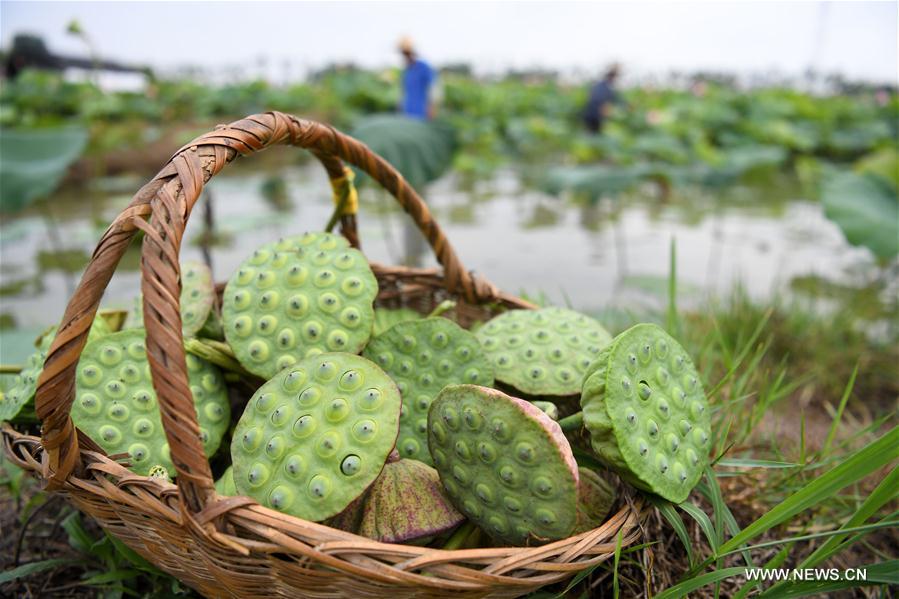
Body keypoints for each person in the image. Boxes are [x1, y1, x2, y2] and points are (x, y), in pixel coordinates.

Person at [398, 37, 435, 120]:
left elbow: (432, 89)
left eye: (408, 53)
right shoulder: (406, 71)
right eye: (404, 54)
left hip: (421, 113)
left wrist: (431, 108)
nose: (406, 56)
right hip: (407, 112)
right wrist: (400, 106)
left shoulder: (424, 67)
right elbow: (403, 92)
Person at [582, 64, 622, 134]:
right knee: (594, 134)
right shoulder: (606, 88)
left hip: (589, 114)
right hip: (596, 115)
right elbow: (602, 99)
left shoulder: (598, 85)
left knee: (590, 134)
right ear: (612, 77)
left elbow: (615, 99)